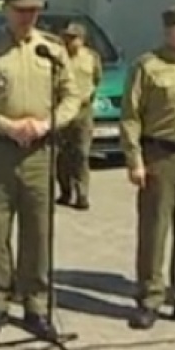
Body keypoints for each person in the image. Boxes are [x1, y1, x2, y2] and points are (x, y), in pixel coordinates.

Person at [0, 0, 80, 338]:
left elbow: (72, 96)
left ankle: (37, 307)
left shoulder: (53, 50)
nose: (29, 16)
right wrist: (5, 124)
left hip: (40, 153)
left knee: (38, 232)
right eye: (22, 10)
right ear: (7, 11)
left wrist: (48, 123)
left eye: (34, 10)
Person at [120, 4, 175, 330]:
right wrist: (134, 160)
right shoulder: (148, 66)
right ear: (174, 32)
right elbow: (130, 116)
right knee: (154, 231)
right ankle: (149, 298)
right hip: (161, 158)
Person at [56, 22, 102, 210]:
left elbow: (97, 79)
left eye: (73, 38)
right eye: (66, 37)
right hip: (62, 110)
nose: (69, 41)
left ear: (82, 40)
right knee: (61, 155)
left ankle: (82, 194)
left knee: (81, 154)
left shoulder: (91, 57)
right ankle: (65, 191)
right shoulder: (58, 57)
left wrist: (87, 97)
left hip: (83, 111)